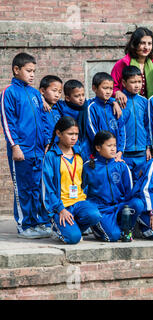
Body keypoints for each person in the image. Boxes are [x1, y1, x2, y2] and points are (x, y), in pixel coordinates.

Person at [0, 52, 53, 239]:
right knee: (22, 188)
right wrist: (15, 146)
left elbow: (43, 119)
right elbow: (8, 122)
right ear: (16, 70)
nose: (32, 75)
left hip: (38, 150)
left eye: (34, 71)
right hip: (22, 150)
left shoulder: (34, 94)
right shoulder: (9, 92)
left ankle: (37, 221)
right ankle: (24, 225)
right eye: (28, 71)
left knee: (37, 187)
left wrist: (46, 141)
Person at [41, 116, 102, 244]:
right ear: (59, 133)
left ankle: (73, 228)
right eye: (70, 134)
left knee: (95, 215)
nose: (74, 137)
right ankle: (58, 228)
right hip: (62, 206)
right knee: (73, 239)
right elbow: (48, 187)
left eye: (76, 134)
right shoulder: (51, 156)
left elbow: (85, 179)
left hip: (79, 201)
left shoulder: (79, 153)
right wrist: (60, 209)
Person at [82, 130, 142, 242]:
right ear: (98, 148)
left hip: (119, 206)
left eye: (114, 145)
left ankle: (126, 229)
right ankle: (97, 227)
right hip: (101, 209)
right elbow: (82, 191)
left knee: (137, 203)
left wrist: (125, 205)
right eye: (109, 146)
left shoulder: (122, 166)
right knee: (113, 236)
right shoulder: (88, 167)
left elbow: (129, 191)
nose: (113, 149)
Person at [120, 66, 152, 182]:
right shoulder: (119, 102)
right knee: (126, 182)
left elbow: (148, 126)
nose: (137, 85)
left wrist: (148, 147)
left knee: (140, 181)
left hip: (141, 151)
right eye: (133, 82)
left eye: (139, 82)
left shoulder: (144, 101)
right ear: (124, 83)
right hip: (125, 151)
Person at [86, 72, 125, 162]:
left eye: (111, 88)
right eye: (105, 88)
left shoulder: (115, 107)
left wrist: (120, 151)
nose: (108, 91)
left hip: (116, 156)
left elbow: (122, 129)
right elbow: (92, 132)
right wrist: (105, 149)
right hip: (99, 156)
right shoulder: (92, 108)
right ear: (94, 88)